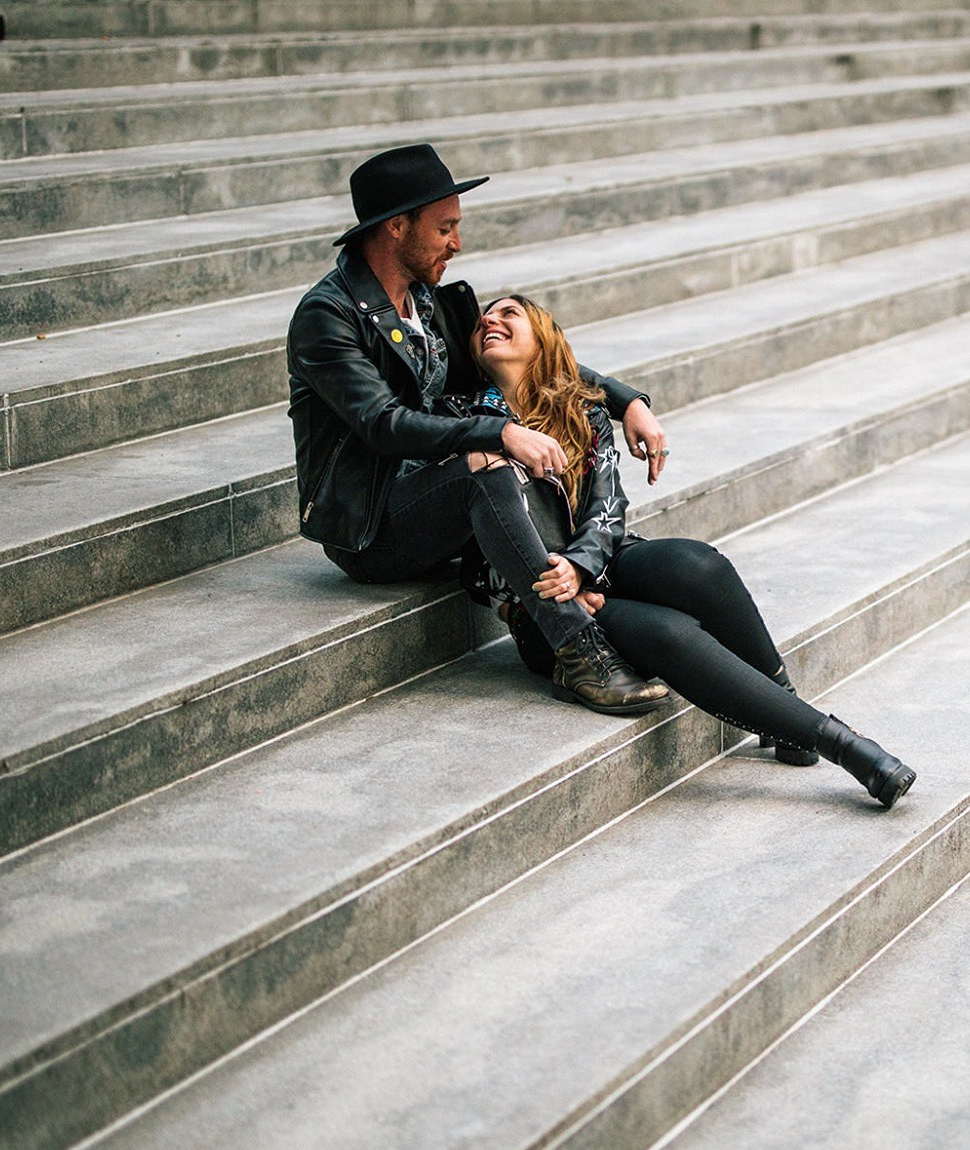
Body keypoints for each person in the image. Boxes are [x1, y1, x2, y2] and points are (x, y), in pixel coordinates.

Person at [471, 292, 915, 809]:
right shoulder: (470, 422)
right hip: (546, 609)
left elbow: (608, 504)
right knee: (669, 631)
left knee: (698, 564)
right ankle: (846, 746)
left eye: (509, 314)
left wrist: (582, 564)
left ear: (545, 340)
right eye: (485, 316)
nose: (490, 320)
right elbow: (494, 540)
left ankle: (786, 711)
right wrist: (562, 583)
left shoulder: (582, 411)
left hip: (594, 562)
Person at [286, 142, 667, 713]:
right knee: (489, 461)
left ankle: (592, 587)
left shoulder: (428, 301)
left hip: (443, 497)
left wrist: (624, 400)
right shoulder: (328, 316)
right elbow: (382, 424)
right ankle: (576, 649)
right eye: (444, 228)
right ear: (396, 226)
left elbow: (536, 360)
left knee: (513, 452)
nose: (456, 244)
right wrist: (497, 433)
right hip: (374, 527)